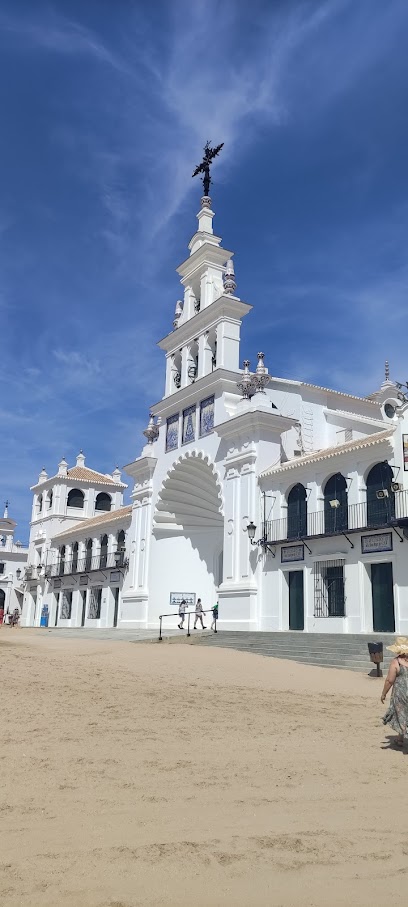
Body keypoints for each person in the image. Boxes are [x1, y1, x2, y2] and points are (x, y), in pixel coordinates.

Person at [381, 636, 408, 747]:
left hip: (400, 694)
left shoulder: (396, 662)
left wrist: (383, 693)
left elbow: (389, 680)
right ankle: (400, 738)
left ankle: (402, 738)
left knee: (401, 714)